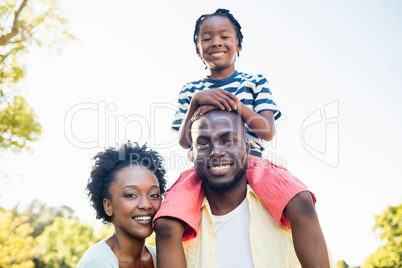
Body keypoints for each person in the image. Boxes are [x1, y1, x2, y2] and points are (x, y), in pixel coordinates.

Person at [155, 110, 335, 267]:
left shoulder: (293, 211)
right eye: (202, 144)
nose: (216, 151)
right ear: (191, 155)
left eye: (229, 141)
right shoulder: (176, 231)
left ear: (248, 147)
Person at [172, 8, 280, 157]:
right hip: (207, 167)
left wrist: (233, 104)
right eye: (207, 39)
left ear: (238, 45)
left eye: (224, 36)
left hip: (251, 164)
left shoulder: (255, 82)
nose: (216, 43)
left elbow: (268, 132)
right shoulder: (190, 91)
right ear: (198, 49)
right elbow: (185, 143)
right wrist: (196, 101)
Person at [77, 142, 167, 268]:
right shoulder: (97, 263)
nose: (146, 205)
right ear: (108, 206)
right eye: (131, 195)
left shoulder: (160, 258)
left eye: (153, 195)